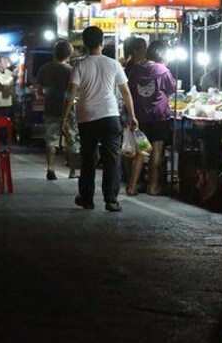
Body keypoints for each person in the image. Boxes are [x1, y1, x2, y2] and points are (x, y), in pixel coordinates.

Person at [62, 26, 138, 212]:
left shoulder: (79, 65)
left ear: (85, 44)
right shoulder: (114, 64)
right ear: (101, 42)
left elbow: (71, 93)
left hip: (86, 117)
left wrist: (63, 117)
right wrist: (132, 116)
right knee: (112, 158)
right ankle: (111, 200)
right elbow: (126, 93)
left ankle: (87, 198)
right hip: (110, 116)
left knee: (88, 157)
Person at [125, 39, 176, 196]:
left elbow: (130, 91)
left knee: (141, 152)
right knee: (157, 152)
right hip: (159, 116)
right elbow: (172, 88)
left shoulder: (135, 69)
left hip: (140, 115)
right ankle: (152, 187)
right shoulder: (163, 70)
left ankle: (132, 186)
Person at [36, 39, 80, 180]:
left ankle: (50, 168)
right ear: (69, 54)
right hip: (69, 110)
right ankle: (73, 172)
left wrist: (50, 93)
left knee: (51, 140)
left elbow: (40, 91)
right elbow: (75, 92)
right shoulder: (72, 70)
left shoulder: (44, 68)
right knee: (72, 139)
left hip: (50, 109)